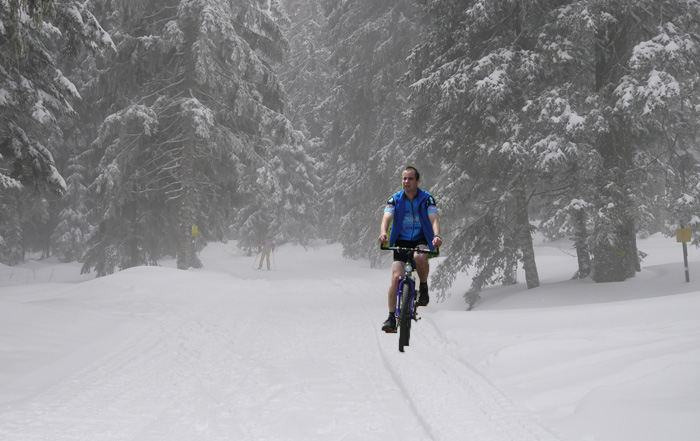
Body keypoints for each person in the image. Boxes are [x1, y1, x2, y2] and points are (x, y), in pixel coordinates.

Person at [378, 166, 442, 333]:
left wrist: (436, 235)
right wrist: (384, 232)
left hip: (420, 240)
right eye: (404, 179)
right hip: (400, 240)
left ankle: (424, 287)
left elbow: (433, 217)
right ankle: (391, 317)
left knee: (420, 257)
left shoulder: (427, 199)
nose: (406, 182)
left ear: (417, 180)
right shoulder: (395, 199)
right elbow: (387, 216)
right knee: (396, 277)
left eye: (410, 179)